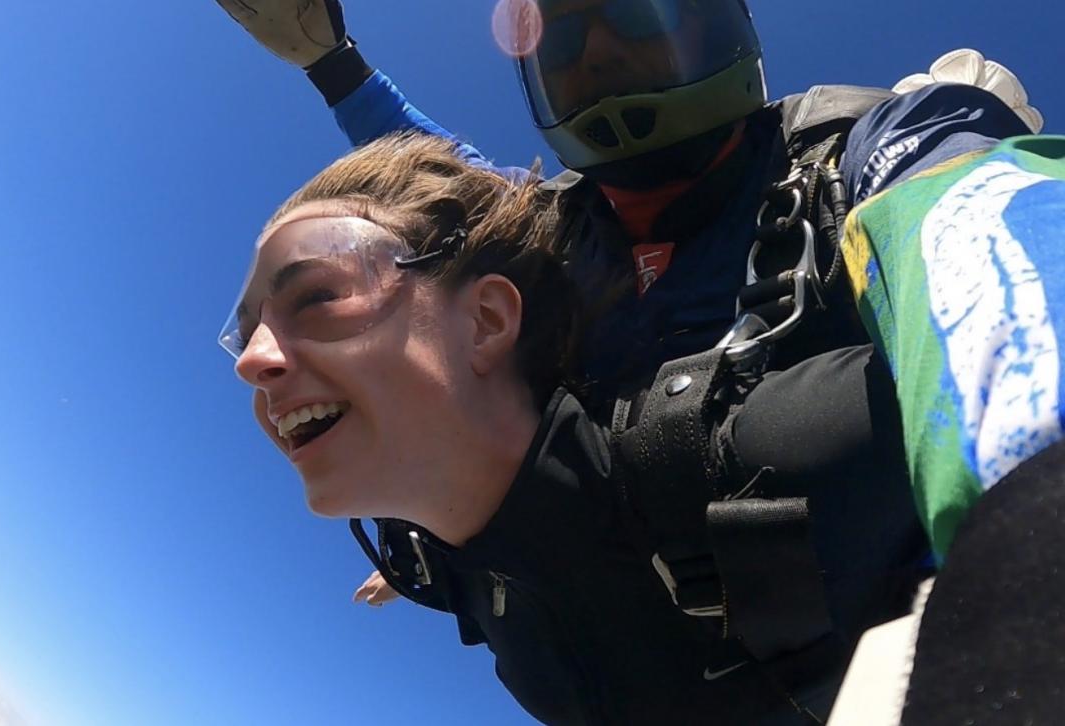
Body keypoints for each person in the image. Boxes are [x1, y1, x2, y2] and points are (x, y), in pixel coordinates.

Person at [214, 1, 1053, 722]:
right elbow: (440, 202)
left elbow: (977, 225)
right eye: (565, 44)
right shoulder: (555, 239)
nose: (601, 53)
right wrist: (336, 67)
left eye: (636, 17)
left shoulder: (859, 152)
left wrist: (1031, 542)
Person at [223, 131, 927, 724]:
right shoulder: (437, 561)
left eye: (316, 298)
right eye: (248, 331)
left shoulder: (756, 466)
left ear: (488, 321)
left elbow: (1012, 393)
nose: (253, 362)